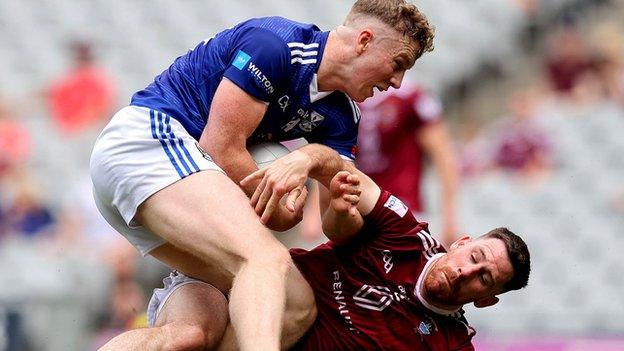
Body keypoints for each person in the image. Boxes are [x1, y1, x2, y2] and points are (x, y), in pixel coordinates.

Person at [90, 1, 435, 349]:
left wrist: (339, 208)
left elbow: (334, 221)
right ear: (363, 41)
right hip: (149, 142)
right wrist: (282, 207)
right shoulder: (276, 45)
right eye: (398, 63)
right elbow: (220, 146)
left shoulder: (343, 116)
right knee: (265, 259)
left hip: (176, 178)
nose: (396, 81)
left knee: (292, 306)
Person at [131, 149, 530, 350]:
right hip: (250, 292)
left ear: (487, 301)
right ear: (462, 243)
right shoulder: (403, 232)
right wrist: (305, 160)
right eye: (475, 258)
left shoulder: (449, 344)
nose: (466, 272)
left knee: (198, 340)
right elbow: (337, 168)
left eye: (484, 278)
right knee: (186, 336)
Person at [357, 80, 459, 246]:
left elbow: (444, 157)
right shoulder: (350, 95)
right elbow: (336, 156)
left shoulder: (411, 96)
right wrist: (315, 213)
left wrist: (450, 216)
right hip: (360, 210)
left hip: (405, 210)